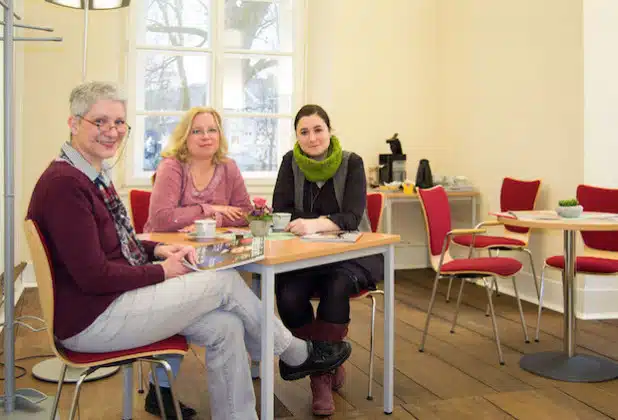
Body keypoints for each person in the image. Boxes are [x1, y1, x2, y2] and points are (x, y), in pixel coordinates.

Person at [27, 83, 352, 420]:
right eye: (100, 122)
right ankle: (295, 353)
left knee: (227, 326)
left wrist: (157, 249)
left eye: (119, 122)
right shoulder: (66, 185)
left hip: (110, 302)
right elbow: (94, 275)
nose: (112, 132)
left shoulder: (90, 175)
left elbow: (119, 244)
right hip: (92, 319)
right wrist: (162, 270)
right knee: (221, 280)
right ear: (73, 122)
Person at [272, 104, 383, 416]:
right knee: (288, 294)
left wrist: (312, 223)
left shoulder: (352, 163)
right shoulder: (289, 163)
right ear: (296, 136)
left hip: (352, 254)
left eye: (318, 129)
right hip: (305, 255)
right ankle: (327, 359)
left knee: (337, 286)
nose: (312, 137)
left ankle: (320, 378)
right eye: (304, 132)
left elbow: (351, 216)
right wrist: (320, 221)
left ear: (330, 130)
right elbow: (281, 211)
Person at [144, 106, 252, 233]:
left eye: (212, 130)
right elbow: (161, 220)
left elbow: (247, 214)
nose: (206, 136)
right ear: (184, 137)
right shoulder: (171, 166)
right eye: (196, 131)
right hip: (168, 247)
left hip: (214, 246)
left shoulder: (229, 166)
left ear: (219, 135)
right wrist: (211, 208)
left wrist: (213, 221)